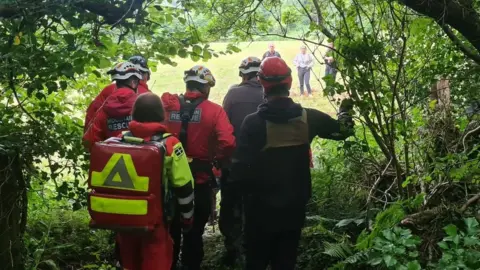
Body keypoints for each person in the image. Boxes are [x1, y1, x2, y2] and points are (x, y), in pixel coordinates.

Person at [225, 57, 354, 270]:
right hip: (294, 207)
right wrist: (345, 111)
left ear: (262, 84)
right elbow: (343, 131)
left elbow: (239, 173)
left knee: (256, 261)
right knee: (285, 260)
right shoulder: (308, 118)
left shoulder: (253, 123)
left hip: (259, 211)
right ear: (290, 81)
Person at [88, 92, 195, 270]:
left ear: (134, 114)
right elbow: (184, 186)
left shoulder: (116, 141)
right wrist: (187, 218)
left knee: (129, 264)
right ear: (162, 115)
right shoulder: (170, 145)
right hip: (155, 225)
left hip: (123, 223)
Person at [161, 65, 236, 270]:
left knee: (172, 227)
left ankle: (169, 263)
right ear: (206, 88)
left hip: (169, 180)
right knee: (194, 230)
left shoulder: (167, 106)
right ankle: (190, 265)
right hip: (199, 179)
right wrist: (217, 160)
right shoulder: (214, 111)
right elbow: (228, 142)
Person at [220, 56, 264, 266]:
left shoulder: (232, 94)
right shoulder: (267, 94)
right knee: (257, 206)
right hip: (262, 164)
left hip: (234, 162)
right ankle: (255, 248)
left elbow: (224, 126)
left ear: (242, 74)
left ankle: (231, 247)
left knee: (230, 205)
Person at [83, 62, 142, 150]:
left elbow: (89, 140)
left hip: (110, 161)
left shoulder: (104, 108)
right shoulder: (143, 106)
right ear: (134, 82)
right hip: (140, 159)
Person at [84, 56, 150, 132]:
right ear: (146, 76)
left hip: (107, 141)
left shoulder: (108, 90)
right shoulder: (150, 97)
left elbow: (91, 115)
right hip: (137, 142)